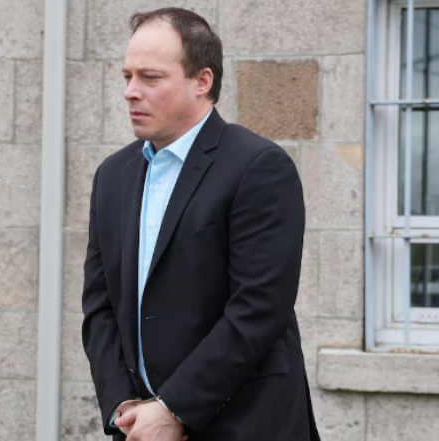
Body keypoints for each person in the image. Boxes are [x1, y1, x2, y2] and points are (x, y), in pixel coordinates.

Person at [81, 7, 320, 441]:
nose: (131, 92)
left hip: (246, 424)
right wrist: (123, 405)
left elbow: (259, 308)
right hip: (141, 429)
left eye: (150, 78)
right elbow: (101, 308)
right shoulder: (113, 176)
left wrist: (173, 409)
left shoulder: (257, 167)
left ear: (202, 81)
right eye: (127, 77)